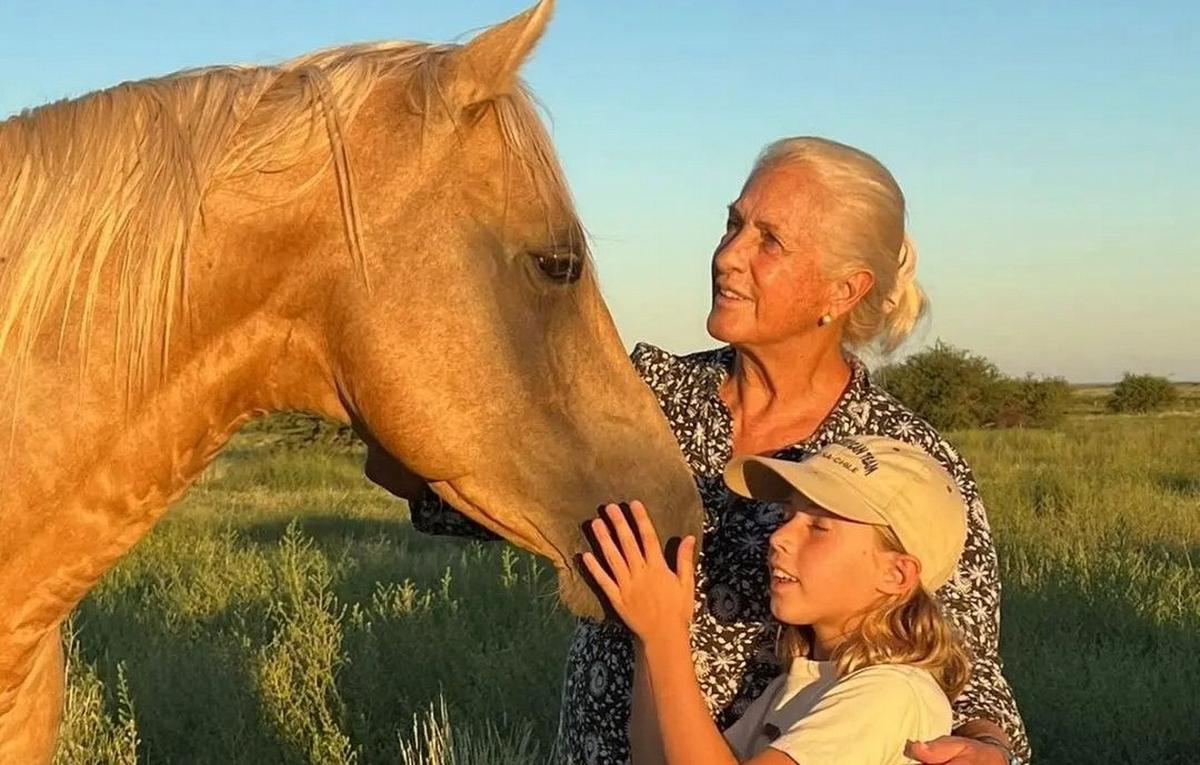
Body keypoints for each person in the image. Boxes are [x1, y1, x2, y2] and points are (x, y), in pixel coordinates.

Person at [409, 136, 1030, 764]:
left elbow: (963, 667)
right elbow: (461, 488)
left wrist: (986, 748)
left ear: (843, 291)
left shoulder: (902, 458)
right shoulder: (643, 396)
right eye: (734, 224)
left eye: (770, 242)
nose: (729, 256)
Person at [582, 436, 973, 765]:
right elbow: (656, 759)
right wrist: (648, 636)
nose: (778, 537)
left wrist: (666, 636)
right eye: (787, 517)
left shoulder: (890, 695)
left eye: (818, 527)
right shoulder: (801, 684)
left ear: (896, 575)